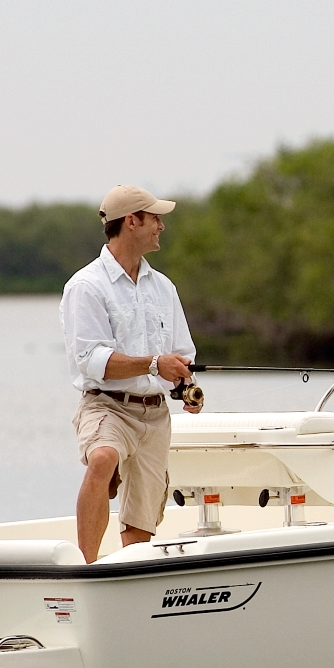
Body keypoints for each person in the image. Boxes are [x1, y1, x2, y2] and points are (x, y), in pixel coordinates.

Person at [60, 185, 202, 562]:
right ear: (132, 222)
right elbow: (92, 360)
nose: (161, 226)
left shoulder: (164, 287)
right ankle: (84, 566)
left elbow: (182, 354)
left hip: (154, 415)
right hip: (106, 406)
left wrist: (187, 385)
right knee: (103, 457)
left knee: (140, 525)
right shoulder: (86, 286)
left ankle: (128, 577)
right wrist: (155, 363)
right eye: (155, 218)